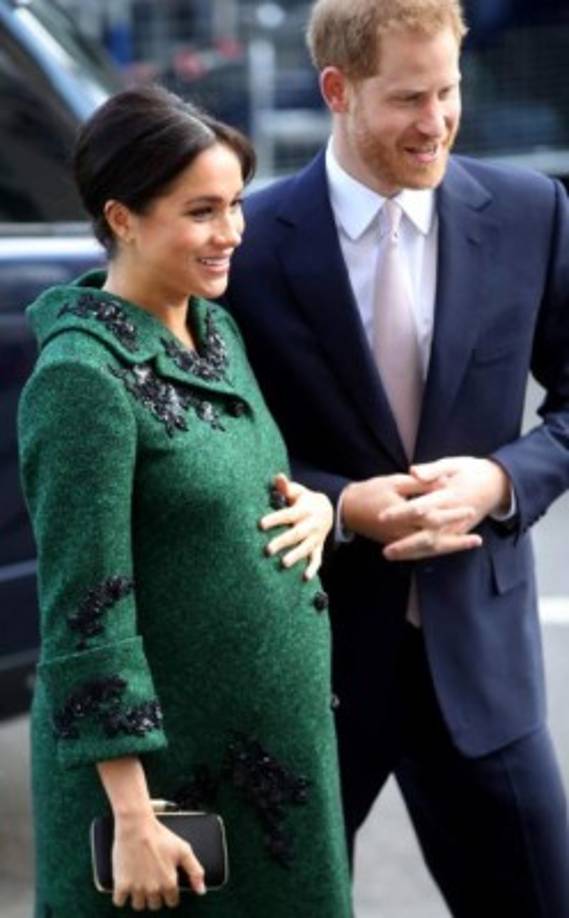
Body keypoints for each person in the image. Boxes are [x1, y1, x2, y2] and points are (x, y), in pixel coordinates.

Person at [224, 1, 569, 915]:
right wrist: (343, 507)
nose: (437, 120)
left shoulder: (534, 213)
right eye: (408, 97)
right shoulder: (247, 247)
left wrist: (501, 480)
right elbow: (217, 443)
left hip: (484, 667)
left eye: (448, 90)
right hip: (309, 661)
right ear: (337, 91)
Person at [18, 85, 352, 917]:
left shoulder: (213, 328)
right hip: (170, 799)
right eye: (202, 211)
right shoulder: (79, 380)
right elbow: (82, 614)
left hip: (279, 767)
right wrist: (131, 815)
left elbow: (233, 484)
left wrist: (312, 507)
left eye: (236, 204)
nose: (232, 232)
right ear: (122, 217)